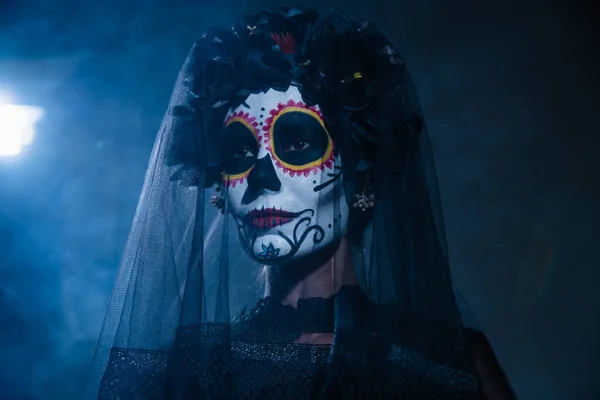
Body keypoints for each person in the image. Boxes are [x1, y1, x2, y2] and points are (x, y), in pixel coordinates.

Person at [85, 7, 516, 399]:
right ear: (220, 189)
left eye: (296, 141)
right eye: (239, 152)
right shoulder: (188, 373)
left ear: (358, 172)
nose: (260, 178)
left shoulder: (447, 365)